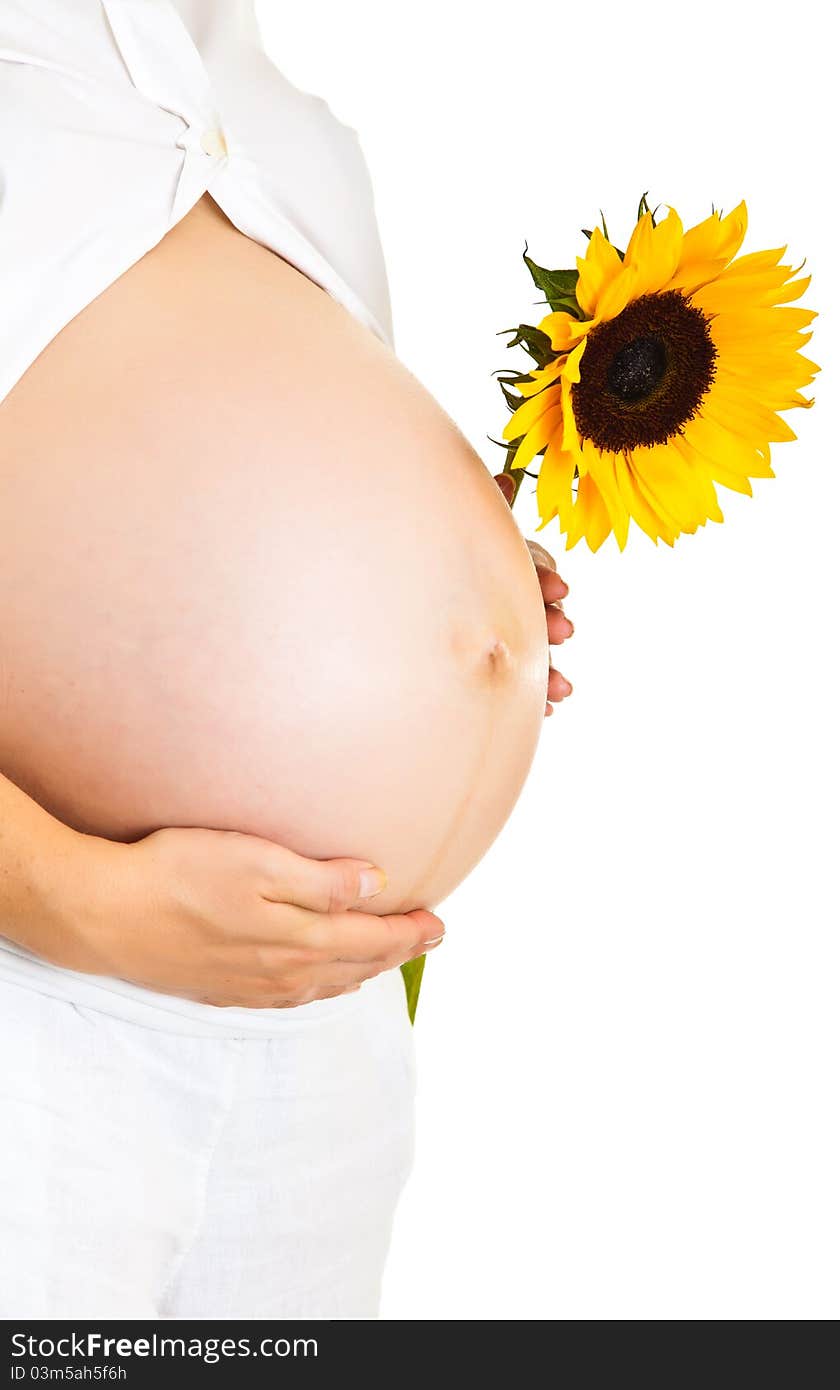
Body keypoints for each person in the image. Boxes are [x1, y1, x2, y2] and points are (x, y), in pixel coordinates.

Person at [0, 0, 572, 1319]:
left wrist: (461, 596)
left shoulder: (299, 133)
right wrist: (79, 897)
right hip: (39, 1007)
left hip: (321, 1043)